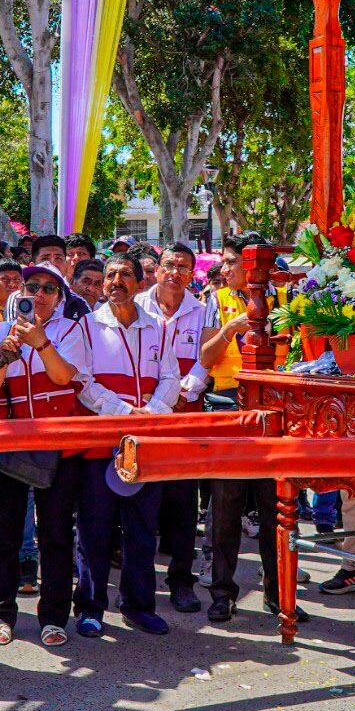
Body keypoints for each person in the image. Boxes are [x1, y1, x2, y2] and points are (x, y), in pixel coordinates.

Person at [199, 234, 311, 622]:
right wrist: (230, 328)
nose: (224, 269)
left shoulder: (284, 302)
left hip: (277, 409)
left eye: (232, 261)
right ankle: (222, 592)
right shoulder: (215, 301)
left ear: (254, 266)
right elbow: (205, 357)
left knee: (276, 507)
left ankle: (279, 595)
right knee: (226, 505)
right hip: (230, 407)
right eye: (226, 262)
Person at [0, 263, 88, 647]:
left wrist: (41, 342)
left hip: (58, 443)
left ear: (59, 298)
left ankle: (54, 616)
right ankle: (2, 613)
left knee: (56, 533)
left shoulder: (71, 330)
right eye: (32, 286)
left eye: (49, 288)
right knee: (3, 535)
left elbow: (63, 377)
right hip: (8, 443)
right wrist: (6, 356)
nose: (39, 294)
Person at [74, 255, 180, 637]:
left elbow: (171, 376)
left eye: (125, 275)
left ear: (138, 283)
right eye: (111, 275)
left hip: (145, 442)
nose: (116, 281)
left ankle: (138, 606)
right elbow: (82, 382)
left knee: (141, 528)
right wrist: (123, 412)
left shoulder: (157, 327)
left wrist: (150, 412)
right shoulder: (86, 326)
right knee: (94, 530)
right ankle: (90, 607)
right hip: (101, 443)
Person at [137, 242, 211, 614]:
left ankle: (182, 581)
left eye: (183, 266)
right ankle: (140, 587)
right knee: (143, 505)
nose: (175, 272)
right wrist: (162, 398)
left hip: (186, 418)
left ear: (191, 272)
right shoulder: (136, 306)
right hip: (145, 417)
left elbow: (208, 356)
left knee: (183, 504)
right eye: (169, 264)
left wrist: (185, 390)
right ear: (158, 267)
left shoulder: (203, 307)